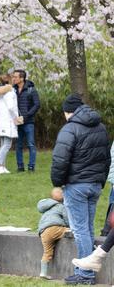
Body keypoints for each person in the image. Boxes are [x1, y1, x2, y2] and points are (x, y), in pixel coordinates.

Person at [51, 93, 110, 285]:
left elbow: (60, 160)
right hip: (94, 185)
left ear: (68, 112)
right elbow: (106, 158)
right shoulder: (100, 127)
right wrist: (100, 181)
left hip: (76, 186)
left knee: (80, 230)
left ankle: (85, 273)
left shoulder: (70, 128)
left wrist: (57, 183)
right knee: (88, 227)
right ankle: (85, 270)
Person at [38, 187, 70, 279]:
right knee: (70, 231)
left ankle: (43, 273)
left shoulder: (47, 207)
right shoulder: (60, 206)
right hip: (54, 228)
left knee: (47, 252)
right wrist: (70, 226)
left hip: (43, 232)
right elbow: (66, 218)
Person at [12, 68, 40, 173]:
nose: (13, 78)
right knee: (18, 145)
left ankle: (31, 167)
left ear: (22, 78)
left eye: (15, 77)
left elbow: (37, 104)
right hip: (17, 122)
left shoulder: (31, 89)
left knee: (31, 144)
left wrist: (26, 116)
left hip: (28, 122)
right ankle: (20, 167)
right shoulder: (12, 90)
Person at [0, 73, 19, 174]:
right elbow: (11, 107)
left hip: (2, 121)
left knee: (4, 143)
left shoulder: (1, 93)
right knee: (7, 144)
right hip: (8, 121)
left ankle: (2, 166)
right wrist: (16, 117)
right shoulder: (9, 92)